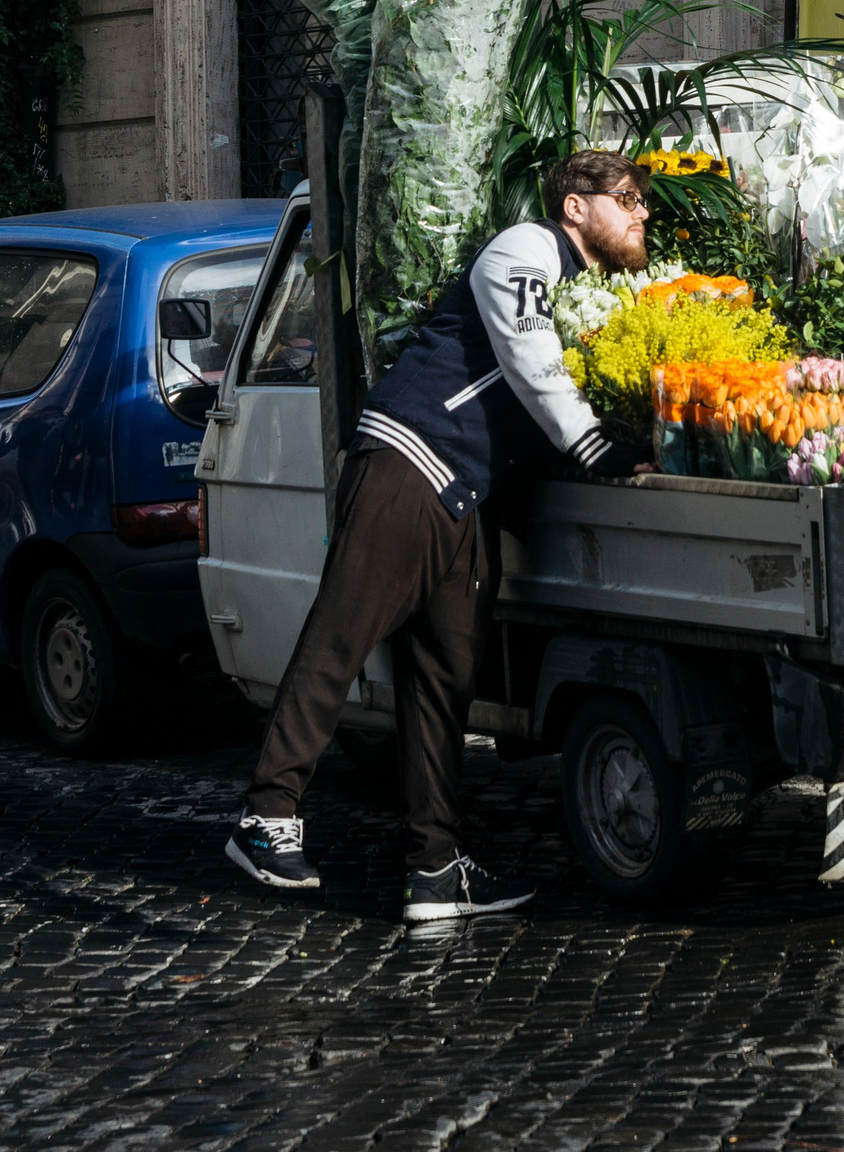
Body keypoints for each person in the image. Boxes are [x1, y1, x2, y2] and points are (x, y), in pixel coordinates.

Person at [225, 149, 653, 920]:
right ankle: (266, 816)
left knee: (443, 686)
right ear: (575, 207)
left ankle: (435, 867)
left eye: (642, 200)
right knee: (339, 641)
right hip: (408, 464)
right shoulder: (525, 250)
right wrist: (589, 444)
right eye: (626, 197)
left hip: (463, 499)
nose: (640, 211)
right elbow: (529, 353)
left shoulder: (582, 287)